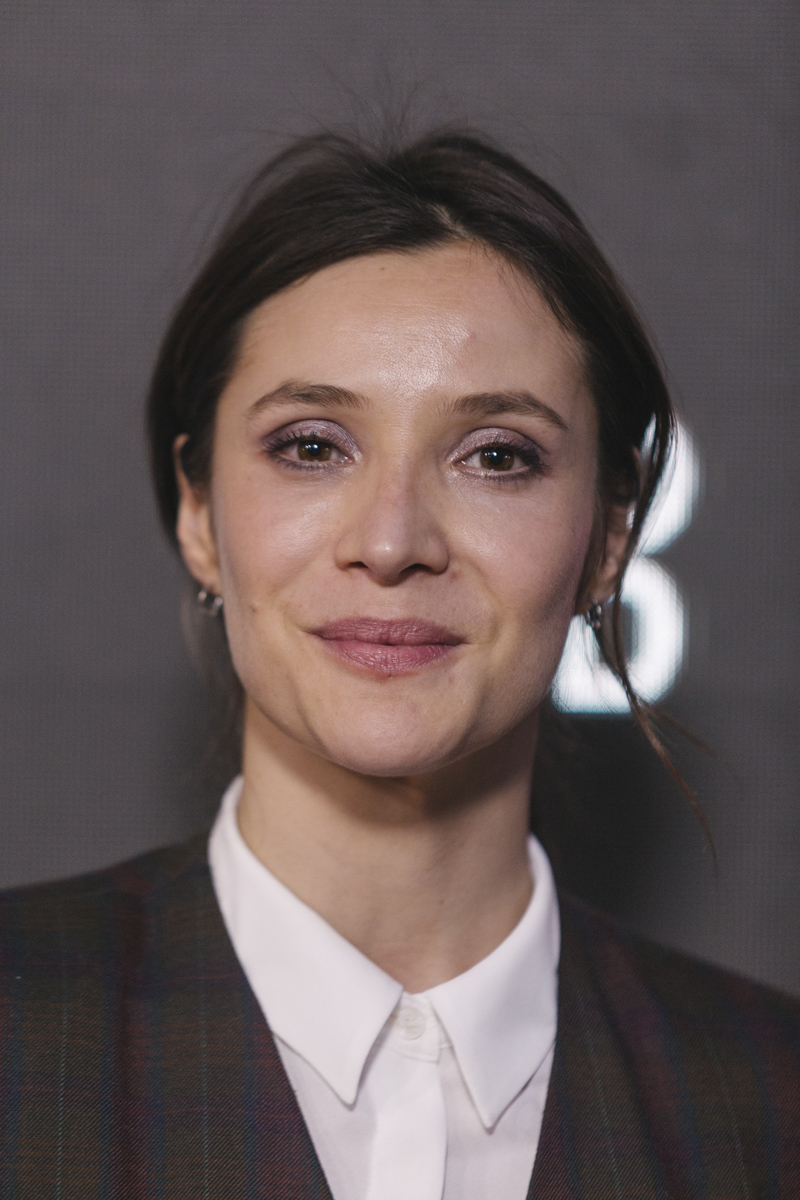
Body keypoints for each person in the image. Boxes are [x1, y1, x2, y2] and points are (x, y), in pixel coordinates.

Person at [0, 130, 798, 1199]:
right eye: (311, 446)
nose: (390, 541)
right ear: (197, 512)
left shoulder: (769, 1107)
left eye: (495, 457)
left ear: (608, 538)